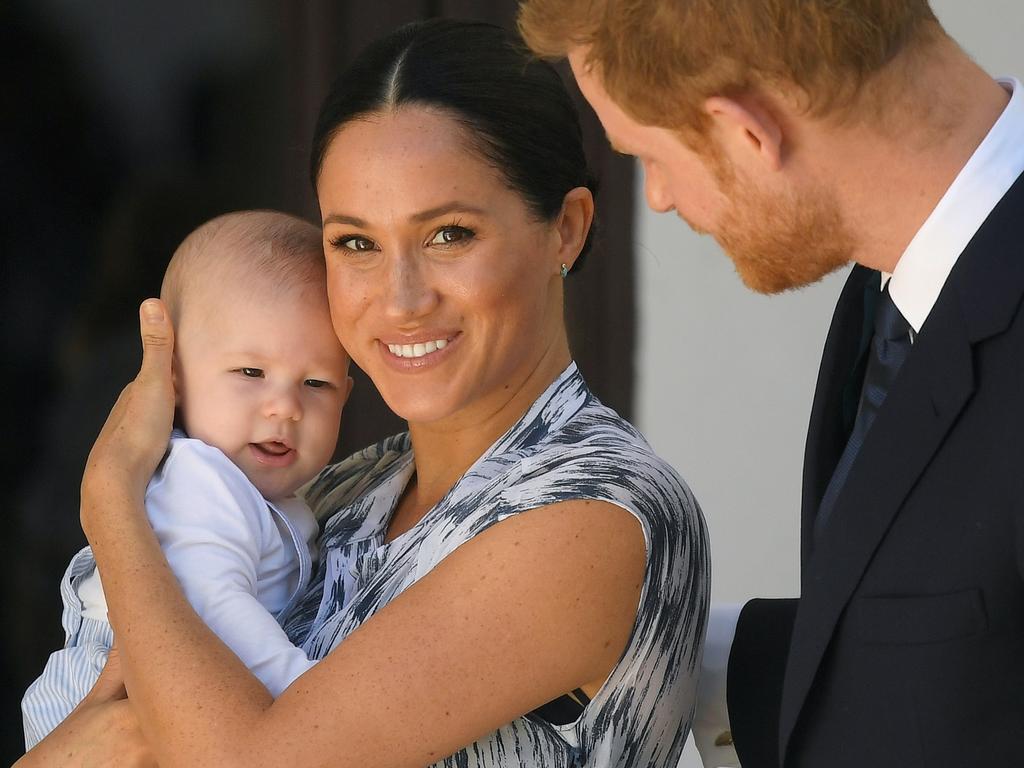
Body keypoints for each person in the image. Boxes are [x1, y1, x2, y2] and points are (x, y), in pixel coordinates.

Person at [17, 19, 709, 768]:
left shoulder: (595, 512)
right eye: (356, 243)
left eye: (449, 234)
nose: (401, 299)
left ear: (565, 231)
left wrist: (113, 499)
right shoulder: (346, 489)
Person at [518, 1, 1024, 766]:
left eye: (649, 157)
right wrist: (648, 643)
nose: (657, 196)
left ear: (747, 133)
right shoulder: (896, 285)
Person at [21, 210, 352, 748]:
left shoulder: (276, 496)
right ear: (172, 377)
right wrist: (302, 691)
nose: (286, 407)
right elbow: (213, 602)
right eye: (251, 372)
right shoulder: (200, 481)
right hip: (106, 707)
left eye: (317, 384)